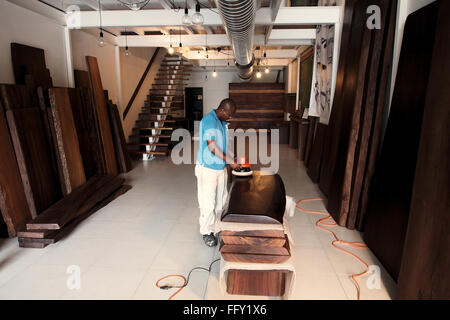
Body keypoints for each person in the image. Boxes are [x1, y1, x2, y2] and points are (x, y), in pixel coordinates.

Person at [195, 98, 240, 247]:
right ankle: (206, 232)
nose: (230, 117)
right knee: (208, 202)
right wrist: (230, 161)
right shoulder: (209, 121)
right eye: (229, 114)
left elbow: (223, 145)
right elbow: (212, 147)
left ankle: (217, 227)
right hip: (207, 169)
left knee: (221, 200)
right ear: (223, 111)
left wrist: (231, 158)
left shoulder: (222, 122)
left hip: (220, 168)